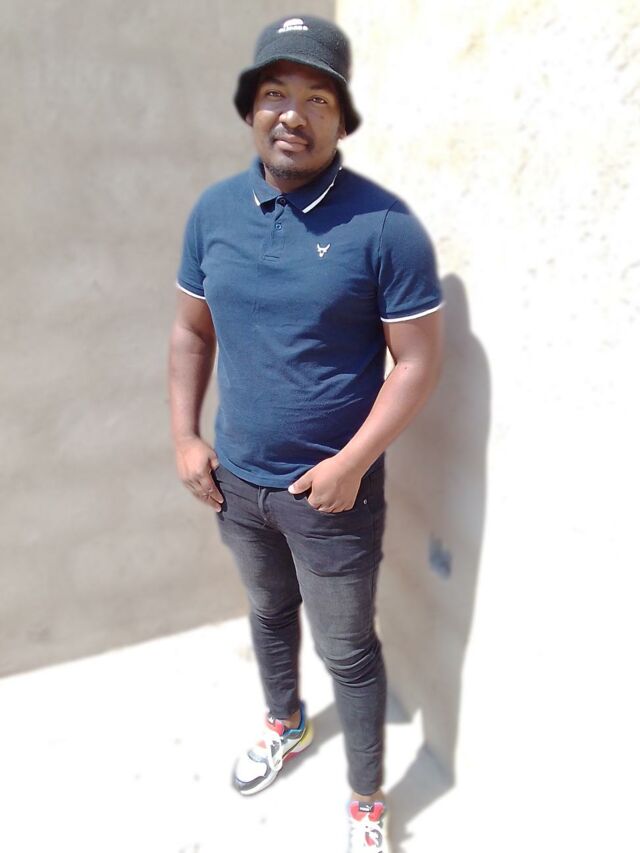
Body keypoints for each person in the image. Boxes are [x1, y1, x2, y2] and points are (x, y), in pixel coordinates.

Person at [168, 14, 443, 852]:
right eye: (275, 93)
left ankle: (366, 798)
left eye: (317, 98)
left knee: (349, 650)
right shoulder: (214, 212)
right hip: (235, 482)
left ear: (340, 121)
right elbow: (190, 333)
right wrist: (185, 438)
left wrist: (353, 462)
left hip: (333, 496)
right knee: (266, 609)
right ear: (252, 109)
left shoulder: (386, 227)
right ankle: (284, 722)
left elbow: (417, 362)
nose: (293, 113)